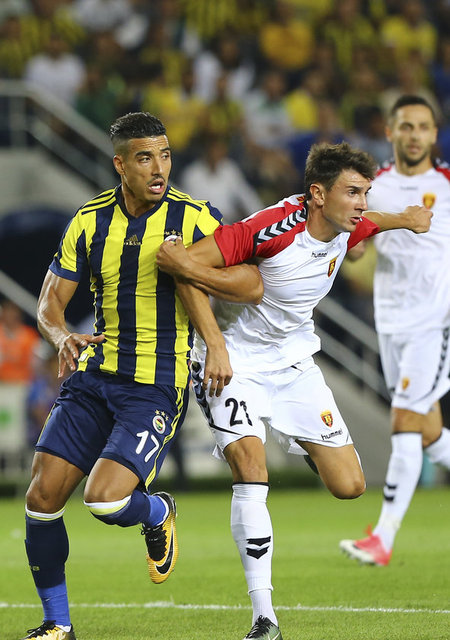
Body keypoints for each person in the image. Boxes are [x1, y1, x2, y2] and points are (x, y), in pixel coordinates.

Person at [156, 141, 432, 640]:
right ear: (318, 194)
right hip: (233, 364)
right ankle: (264, 616)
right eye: (353, 192)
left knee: (349, 486)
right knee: (251, 469)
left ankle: (303, 443)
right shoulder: (268, 228)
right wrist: (214, 346)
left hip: (294, 365)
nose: (363, 204)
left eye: (366, 193)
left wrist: (408, 219)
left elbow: (372, 223)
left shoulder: (348, 225)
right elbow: (181, 268)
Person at [22, 111, 262, 640]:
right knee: (41, 499)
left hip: (154, 385)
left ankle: (156, 511)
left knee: (105, 500)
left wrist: (193, 272)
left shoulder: (195, 218)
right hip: (94, 378)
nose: (159, 168)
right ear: (120, 164)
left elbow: (251, 282)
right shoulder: (89, 221)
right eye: (145, 158)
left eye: (166, 155)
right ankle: (57, 624)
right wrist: (61, 337)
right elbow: (48, 305)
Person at [339, 95, 450, 566]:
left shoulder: (446, 184)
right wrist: (355, 248)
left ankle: (382, 538)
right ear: (389, 132)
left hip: (434, 322)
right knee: (429, 433)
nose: (414, 134)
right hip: (389, 321)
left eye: (423, 126)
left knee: (404, 419)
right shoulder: (375, 187)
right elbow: (355, 247)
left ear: (434, 133)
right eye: (406, 126)